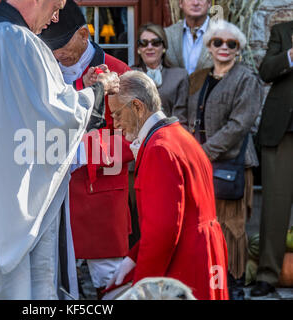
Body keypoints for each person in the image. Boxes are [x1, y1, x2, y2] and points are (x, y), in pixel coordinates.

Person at [0, 0, 120, 300]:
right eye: (56, 6)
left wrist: (79, 95)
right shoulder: (18, 42)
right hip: (2, 201)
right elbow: (49, 122)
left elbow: (24, 113)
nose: (55, 17)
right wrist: (99, 91)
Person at [104, 70, 229, 300]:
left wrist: (142, 288)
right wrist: (133, 257)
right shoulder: (178, 135)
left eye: (118, 115)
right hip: (204, 250)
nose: (116, 124)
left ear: (138, 107)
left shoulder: (159, 148)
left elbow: (163, 231)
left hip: (186, 257)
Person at [40, 0, 134, 299]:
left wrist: (80, 152)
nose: (56, 54)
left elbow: (135, 139)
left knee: (111, 281)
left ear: (84, 34)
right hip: (51, 199)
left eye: (61, 45)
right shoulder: (44, 74)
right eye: (49, 46)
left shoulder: (120, 72)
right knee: (51, 282)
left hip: (100, 197)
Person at [177, 20, 264, 299]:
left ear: (238, 49)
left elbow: (240, 125)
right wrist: (184, 144)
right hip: (196, 164)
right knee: (201, 226)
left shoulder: (246, 79)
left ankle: (234, 287)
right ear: (209, 46)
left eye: (231, 44)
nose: (224, 48)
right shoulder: (197, 78)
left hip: (232, 165)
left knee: (231, 227)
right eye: (218, 42)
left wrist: (203, 151)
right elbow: (181, 112)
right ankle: (208, 284)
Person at [251, 20, 293, 297]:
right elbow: (265, 71)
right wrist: (290, 55)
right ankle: (267, 273)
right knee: (275, 208)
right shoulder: (283, 32)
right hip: (282, 132)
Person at [132, 23, 188, 117]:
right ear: (138, 49)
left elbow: (181, 117)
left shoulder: (179, 76)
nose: (149, 47)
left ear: (164, 47)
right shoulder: (130, 75)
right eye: (144, 43)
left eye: (156, 43)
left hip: (169, 130)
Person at [164, 0, 213, 75]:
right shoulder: (168, 35)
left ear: (209, 3)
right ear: (180, 3)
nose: (195, 3)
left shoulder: (222, 34)